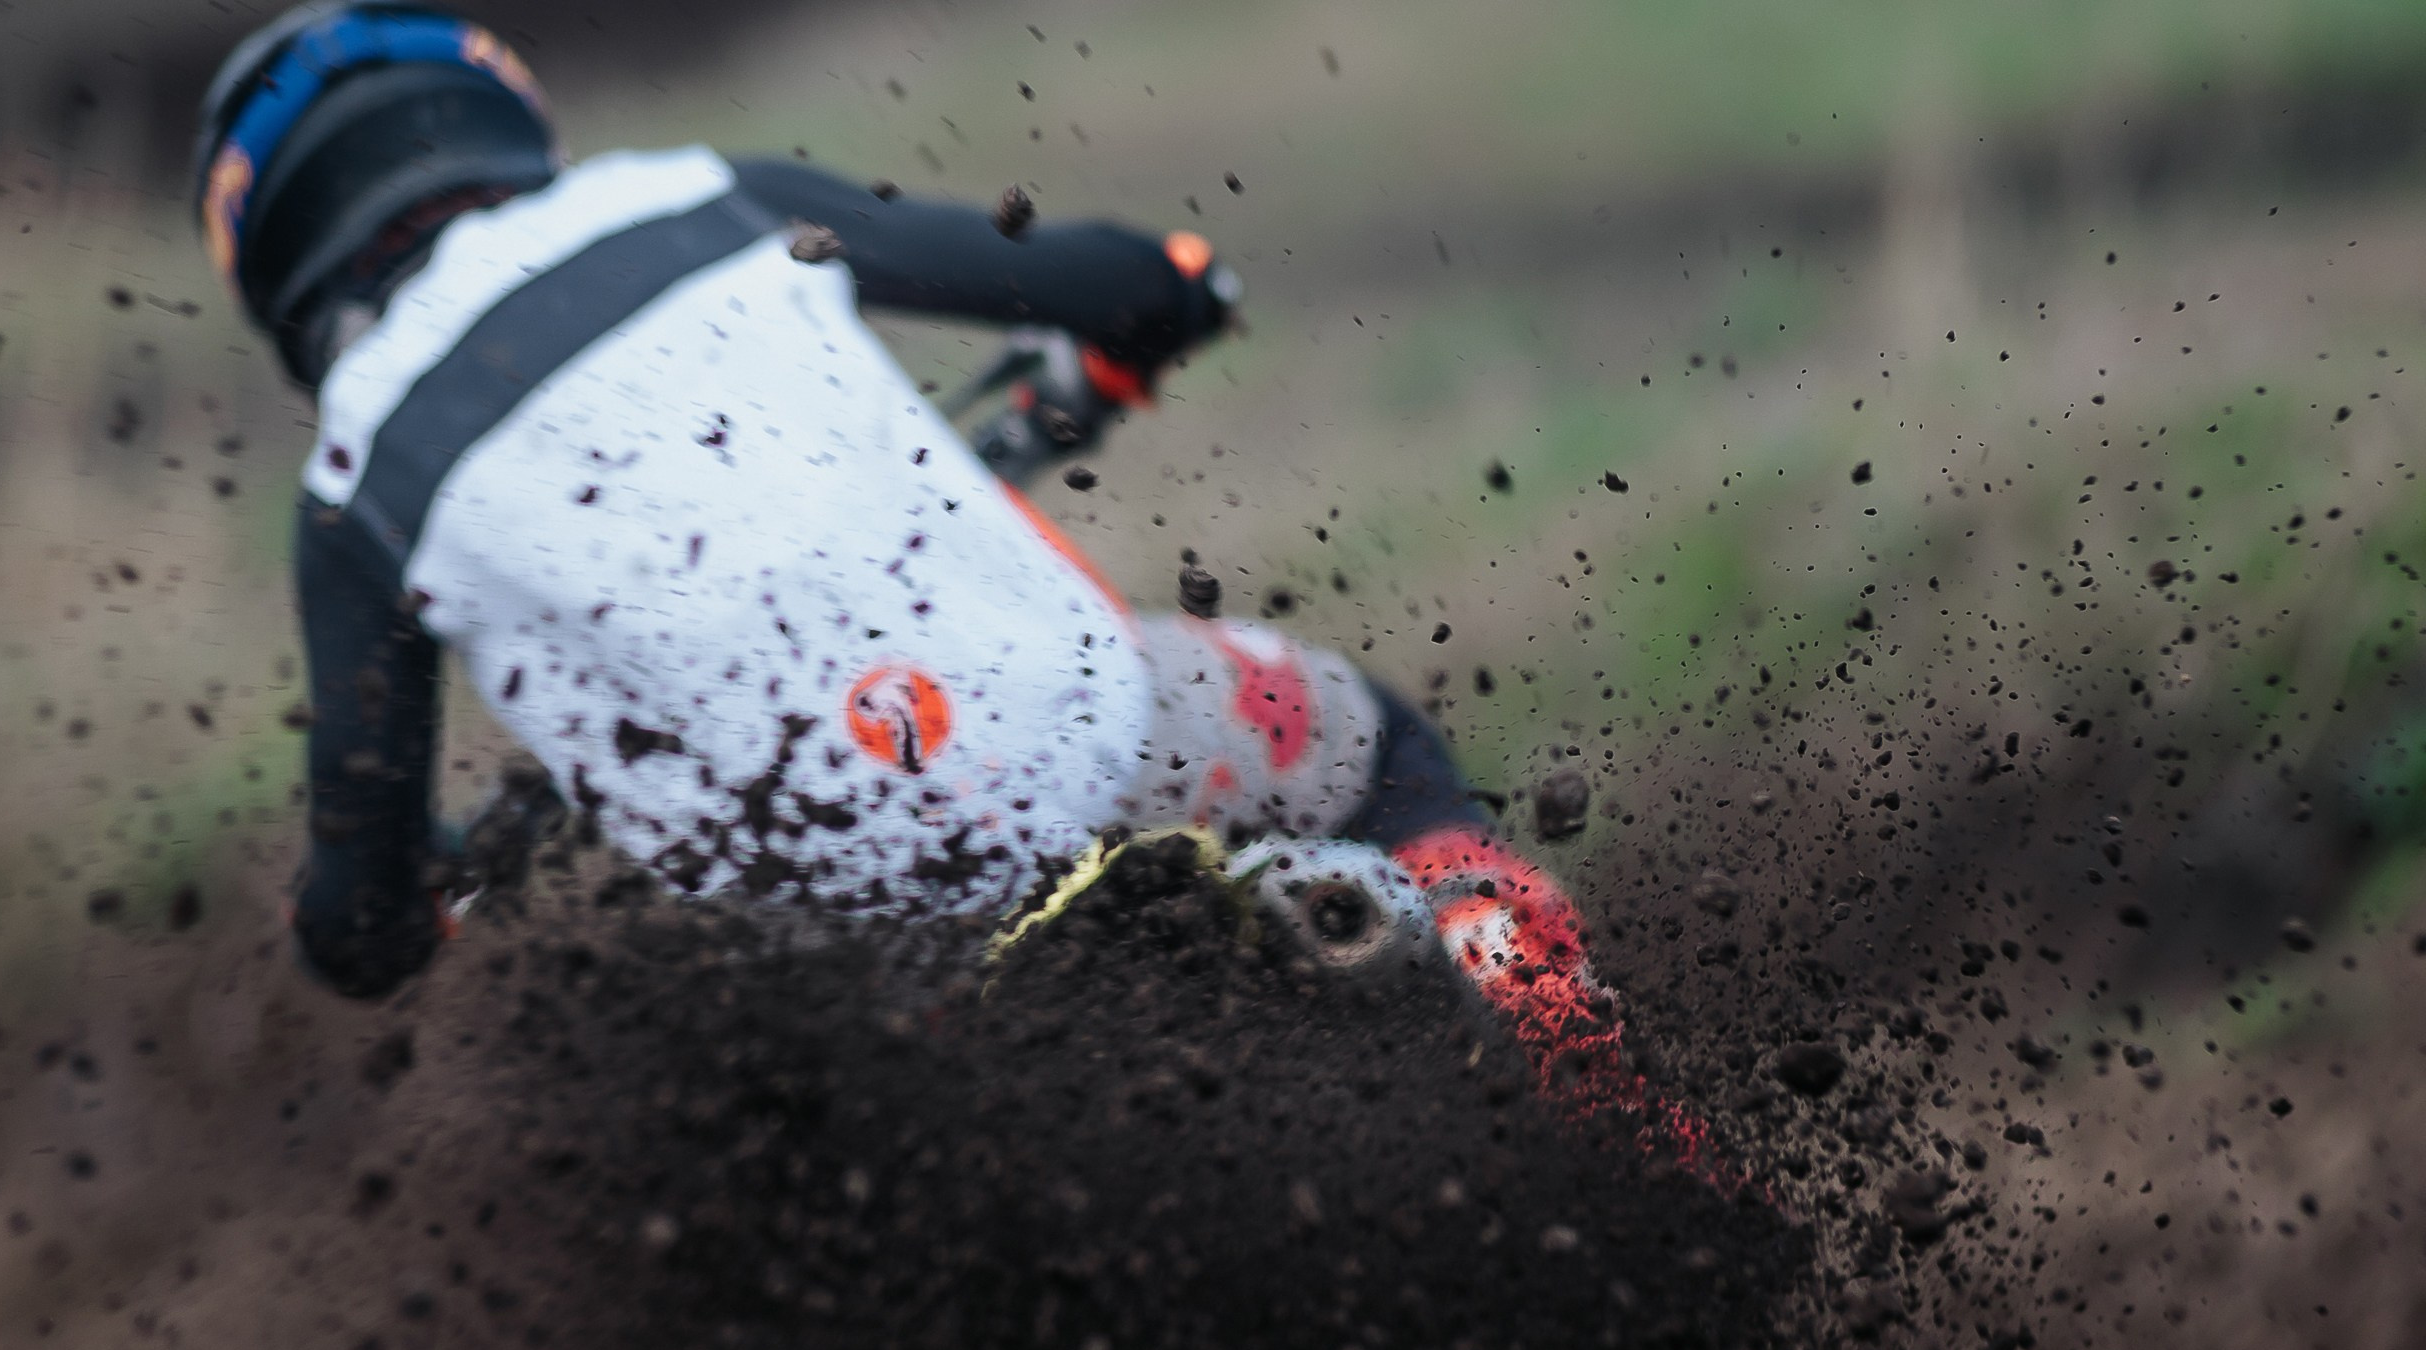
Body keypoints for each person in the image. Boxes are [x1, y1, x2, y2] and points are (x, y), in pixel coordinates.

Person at [193, 2, 1705, 1167]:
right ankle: (1595, 1085)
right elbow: (1119, 277)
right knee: (1367, 745)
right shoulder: (686, 201)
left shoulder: (357, 488)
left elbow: (363, 922)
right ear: (483, 106)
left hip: (840, 993)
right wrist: (1147, 315)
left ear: (285, 257)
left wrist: (424, 882)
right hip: (1087, 747)